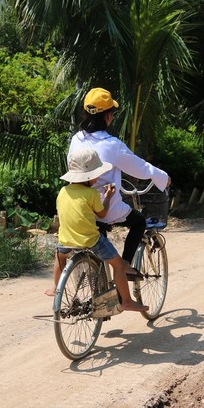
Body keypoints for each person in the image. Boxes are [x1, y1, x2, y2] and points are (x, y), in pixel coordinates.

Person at [68, 87, 171, 272]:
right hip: (103, 207)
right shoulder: (112, 144)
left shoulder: (76, 139)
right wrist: (163, 177)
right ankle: (124, 267)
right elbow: (141, 168)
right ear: (107, 117)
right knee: (139, 221)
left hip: (78, 205)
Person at [45, 147, 148, 313]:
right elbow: (103, 213)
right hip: (91, 240)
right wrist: (107, 197)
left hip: (66, 239)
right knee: (119, 265)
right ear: (89, 176)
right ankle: (127, 301)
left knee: (60, 255)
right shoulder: (91, 193)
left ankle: (56, 287)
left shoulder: (63, 192)